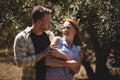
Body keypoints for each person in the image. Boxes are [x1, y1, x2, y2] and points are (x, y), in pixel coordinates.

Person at [13, 5, 55, 80]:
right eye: (48, 21)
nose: (50, 23)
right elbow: (20, 62)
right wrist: (43, 54)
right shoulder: (22, 38)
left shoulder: (50, 35)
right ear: (39, 22)